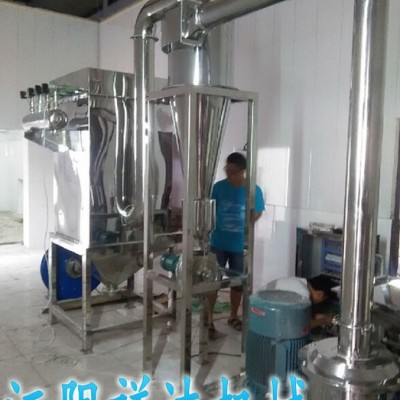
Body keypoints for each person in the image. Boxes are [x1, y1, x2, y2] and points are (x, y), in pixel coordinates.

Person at [208, 152, 265, 338]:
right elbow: (210, 210)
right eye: (227, 170)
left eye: (233, 171)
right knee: (212, 282)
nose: (229, 174)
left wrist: (247, 223)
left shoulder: (253, 190)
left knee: (238, 283)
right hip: (218, 243)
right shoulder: (218, 188)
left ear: (243, 171)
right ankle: (208, 319)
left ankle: (233, 316)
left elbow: (258, 211)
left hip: (239, 246)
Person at [266, 274, 338, 328]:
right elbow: (302, 325)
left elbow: (303, 316)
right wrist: (324, 320)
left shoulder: (300, 283)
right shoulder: (303, 293)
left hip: (265, 312)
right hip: (268, 319)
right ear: (320, 295)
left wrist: (323, 317)